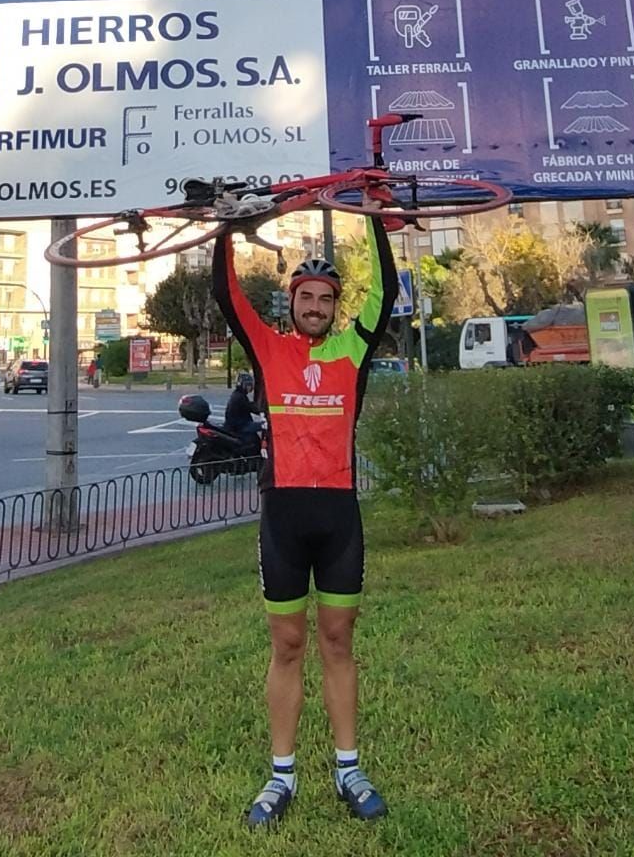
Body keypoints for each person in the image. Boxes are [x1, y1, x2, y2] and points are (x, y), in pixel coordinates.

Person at [212, 222, 397, 829]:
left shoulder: (353, 349)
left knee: (339, 643)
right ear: (291, 303)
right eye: (306, 297)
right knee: (287, 645)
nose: (316, 307)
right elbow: (227, 296)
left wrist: (371, 216)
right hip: (284, 517)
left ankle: (349, 769)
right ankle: (281, 774)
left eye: (325, 299)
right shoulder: (269, 349)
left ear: (335, 308)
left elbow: (387, 292)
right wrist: (227, 231)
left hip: (339, 513)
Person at [223, 370, 258, 452]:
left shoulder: (237, 394)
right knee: (260, 427)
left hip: (234, 424)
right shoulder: (240, 397)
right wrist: (263, 409)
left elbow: (249, 406)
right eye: (249, 385)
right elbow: (252, 408)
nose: (250, 387)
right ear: (244, 385)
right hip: (239, 425)